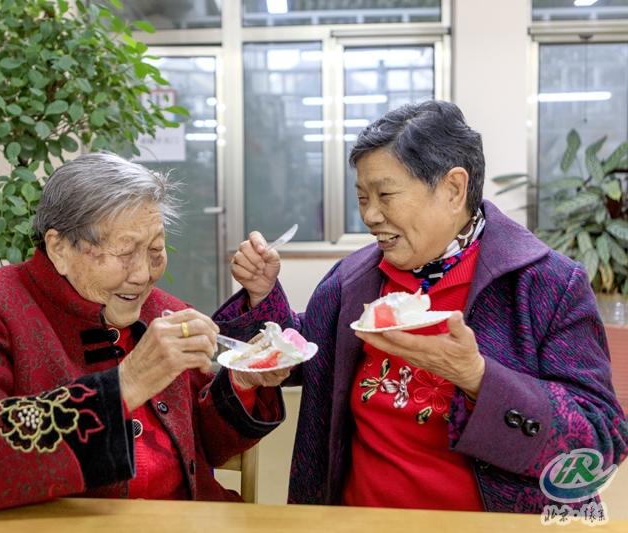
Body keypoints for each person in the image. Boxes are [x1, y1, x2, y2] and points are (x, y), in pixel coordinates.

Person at [214, 100, 628, 512]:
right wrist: (262, 294)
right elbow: (303, 357)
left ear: (453, 189)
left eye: (385, 195)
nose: (370, 215)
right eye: (362, 197)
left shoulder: (546, 285)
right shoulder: (352, 281)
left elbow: (601, 442)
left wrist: (478, 378)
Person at [0, 152, 288, 516]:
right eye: (125, 253)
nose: (142, 275)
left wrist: (240, 383)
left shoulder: (165, 310)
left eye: (155, 250)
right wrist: (126, 384)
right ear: (59, 248)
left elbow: (203, 447)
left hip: (182, 519)